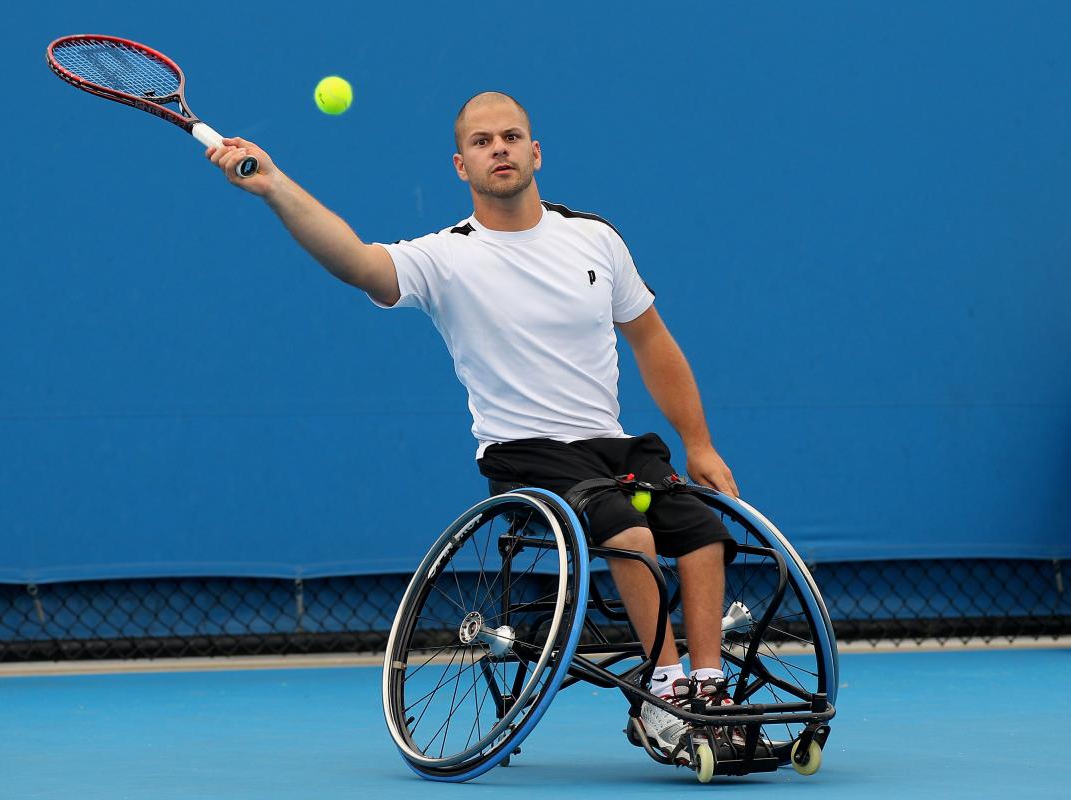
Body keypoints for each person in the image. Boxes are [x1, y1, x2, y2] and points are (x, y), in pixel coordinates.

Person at [206, 91, 740, 759]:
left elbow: (652, 341)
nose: (500, 149)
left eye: (512, 136)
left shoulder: (595, 238)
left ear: (535, 151)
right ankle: (664, 691)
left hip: (611, 447)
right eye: (483, 142)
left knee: (700, 528)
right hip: (525, 455)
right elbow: (356, 260)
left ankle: (709, 687)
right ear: (462, 166)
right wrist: (275, 185)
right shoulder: (445, 257)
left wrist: (698, 442)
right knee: (630, 529)